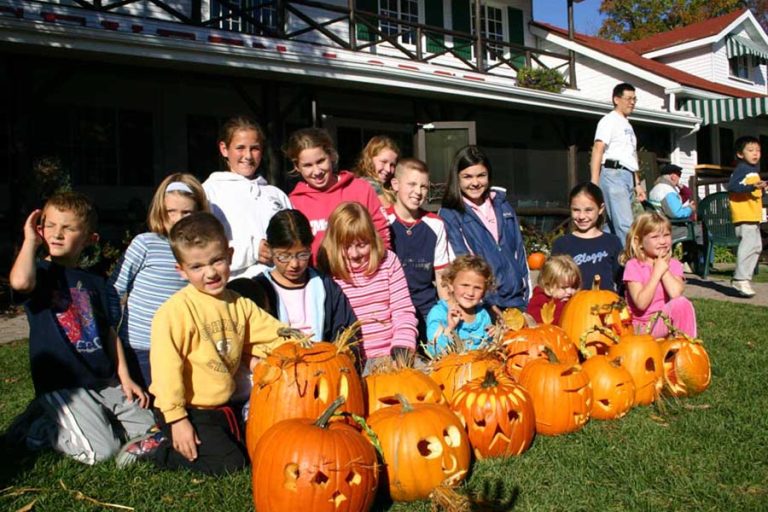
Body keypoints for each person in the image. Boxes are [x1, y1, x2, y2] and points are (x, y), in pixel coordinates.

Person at [118, 213, 290, 474]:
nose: (210, 273)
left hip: (221, 406)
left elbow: (273, 334)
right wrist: (178, 419)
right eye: (197, 267)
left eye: (217, 261)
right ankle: (157, 447)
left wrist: (304, 347)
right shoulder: (175, 312)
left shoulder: (239, 304)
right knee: (230, 464)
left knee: (257, 450)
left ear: (230, 256)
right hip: (185, 408)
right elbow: (166, 373)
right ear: (182, 270)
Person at [8, 191, 154, 464]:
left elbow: (110, 332)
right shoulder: (39, 273)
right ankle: (39, 429)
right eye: (49, 225)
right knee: (102, 451)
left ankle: (64, 419)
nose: (57, 233)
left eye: (68, 228)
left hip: (103, 381)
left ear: (90, 239)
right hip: (64, 386)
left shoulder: (96, 282)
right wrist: (29, 241)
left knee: (150, 427)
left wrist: (125, 377)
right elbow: (19, 284)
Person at [108, 173, 209, 388]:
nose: (177, 218)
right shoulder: (145, 244)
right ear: (160, 211)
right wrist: (110, 336)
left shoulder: (198, 252)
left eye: (186, 212)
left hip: (178, 346)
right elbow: (114, 290)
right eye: (170, 211)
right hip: (140, 347)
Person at [228, 209, 357, 342]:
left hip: (325, 359)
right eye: (284, 256)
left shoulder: (325, 286)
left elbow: (346, 332)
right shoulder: (258, 291)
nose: (295, 264)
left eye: (302, 255)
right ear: (269, 249)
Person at [317, 202, 417, 373]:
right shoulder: (329, 275)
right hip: (352, 362)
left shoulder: (388, 262)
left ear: (372, 239)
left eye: (362, 245)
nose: (354, 254)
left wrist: (402, 348)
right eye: (346, 246)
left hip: (391, 354)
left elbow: (403, 311)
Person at [439, 145, 529, 312]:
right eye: (467, 177)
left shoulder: (504, 206)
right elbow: (463, 261)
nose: (475, 183)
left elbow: (519, 251)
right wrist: (488, 302)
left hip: (517, 301)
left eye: (481, 175)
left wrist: (526, 296)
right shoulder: (451, 214)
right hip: (484, 306)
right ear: (457, 178)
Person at [203, 116, 291, 279]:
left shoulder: (276, 195)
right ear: (224, 149)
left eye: (255, 148)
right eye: (240, 148)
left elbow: (293, 240)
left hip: (279, 288)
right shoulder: (209, 192)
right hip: (233, 289)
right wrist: (252, 250)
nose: (248, 156)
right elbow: (202, 249)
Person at [284, 127, 391, 260]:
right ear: (296, 166)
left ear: (331, 155)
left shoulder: (360, 189)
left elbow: (381, 233)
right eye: (308, 165)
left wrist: (380, 266)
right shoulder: (293, 202)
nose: (317, 171)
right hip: (318, 278)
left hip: (364, 276)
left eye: (320, 161)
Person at [386, 158, 453, 340]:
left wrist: (448, 310)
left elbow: (442, 275)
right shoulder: (383, 221)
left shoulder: (435, 224)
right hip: (393, 309)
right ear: (396, 184)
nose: (418, 192)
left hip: (426, 307)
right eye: (412, 184)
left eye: (423, 186)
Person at [621, 212, 697, 338]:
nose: (662, 241)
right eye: (655, 237)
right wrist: (656, 273)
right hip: (641, 329)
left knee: (682, 303)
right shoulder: (633, 265)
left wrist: (664, 270)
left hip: (664, 323)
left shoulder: (674, 264)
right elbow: (641, 304)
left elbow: (675, 294)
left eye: (666, 235)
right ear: (639, 241)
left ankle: (685, 349)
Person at [590, 82, 646, 247]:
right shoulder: (609, 121)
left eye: (634, 99)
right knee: (625, 224)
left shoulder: (628, 125)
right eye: (628, 98)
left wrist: (637, 184)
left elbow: (630, 156)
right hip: (613, 174)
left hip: (627, 175)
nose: (632, 102)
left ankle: (604, 258)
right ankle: (631, 266)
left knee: (613, 226)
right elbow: (598, 149)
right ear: (616, 99)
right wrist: (594, 182)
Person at [551, 182, 623, 291]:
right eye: (576, 210)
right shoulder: (562, 244)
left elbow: (622, 281)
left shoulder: (612, 242)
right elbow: (553, 281)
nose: (581, 216)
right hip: (573, 305)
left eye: (588, 210)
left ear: (601, 208)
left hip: (607, 304)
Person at [425, 255, 495, 357]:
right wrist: (450, 328)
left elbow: (488, 351)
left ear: (484, 291)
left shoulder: (483, 315)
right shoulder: (439, 313)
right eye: (465, 285)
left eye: (477, 288)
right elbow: (434, 351)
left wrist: (494, 337)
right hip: (449, 370)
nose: (471, 292)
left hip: (479, 369)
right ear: (450, 284)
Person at [727, 136, 767, 298]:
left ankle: (744, 278)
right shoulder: (742, 169)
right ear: (740, 154)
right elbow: (733, 187)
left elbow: (752, 191)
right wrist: (752, 186)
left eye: (758, 150)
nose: (755, 154)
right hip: (744, 215)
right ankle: (740, 277)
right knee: (749, 244)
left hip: (753, 215)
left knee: (756, 246)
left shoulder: (753, 170)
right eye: (750, 150)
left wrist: (760, 188)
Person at [527, 255, 581, 325]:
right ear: (548, 287)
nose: (570, 292)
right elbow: (537, 322)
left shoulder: (575, 300)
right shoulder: (539, 300)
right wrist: (561, 306)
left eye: (573, 286)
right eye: (564, 287)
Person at [354, 135, 400, 207]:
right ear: (370, 159)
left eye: (392, 165)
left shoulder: (392, 188)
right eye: (383, 162)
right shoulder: (365, 184)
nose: (388, 169)